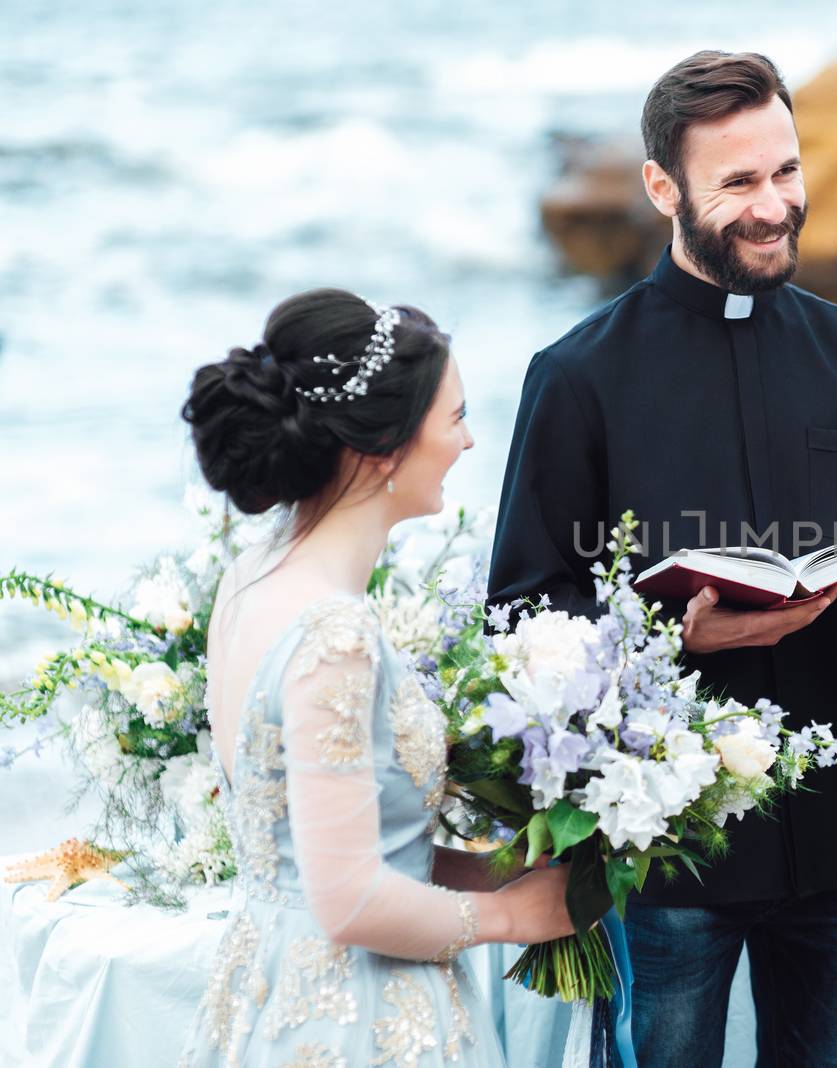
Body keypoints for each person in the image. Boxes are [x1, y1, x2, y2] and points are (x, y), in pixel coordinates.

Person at [487, 51, 837, 1068]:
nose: (774, 207)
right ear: (663, 188)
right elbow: (522, 611)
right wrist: (667, 631)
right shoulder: (578, 379)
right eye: (741, 183)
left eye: (787, 172)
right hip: (668, 847)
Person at [177, 288, 573, 1067]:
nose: (467, 442)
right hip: (360, 1016)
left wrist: (500, 867)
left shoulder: (250, 577)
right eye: (455, 417)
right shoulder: (336, 633)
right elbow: (349, 898)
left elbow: (309, 847)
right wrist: (517, 918)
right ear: (384, 448)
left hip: (266, 983)